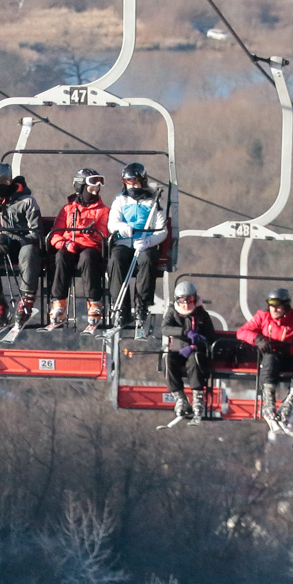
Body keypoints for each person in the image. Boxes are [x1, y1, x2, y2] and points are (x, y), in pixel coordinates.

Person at [0, 161, 44, 330]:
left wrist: (13, 241)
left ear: (1, 185)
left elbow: (36, 233)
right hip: (2, 246)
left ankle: (26, 301)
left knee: (28, 253)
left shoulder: (28, 202)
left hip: (24, 245)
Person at [105, 163, 168, 334]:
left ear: (142, 181)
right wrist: (120, 227)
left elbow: (162, 230)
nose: (131, 186)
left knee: (147, 261)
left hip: (145, 243)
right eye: (128, 182)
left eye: (135, 182)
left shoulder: (154, 202)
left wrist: (149, 241)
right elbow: (111, 224)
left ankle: (141, 306)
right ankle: (121, 308)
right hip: (125, 242)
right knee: (116, 261)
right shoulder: (120, 200)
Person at [47, 169, 110, 328]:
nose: (95, 191)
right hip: (70, 245)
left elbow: (104, 233)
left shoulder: (102, 211)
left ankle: (94, 302)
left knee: (88, 258)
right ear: (81, 187)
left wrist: (92, 234)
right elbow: (55, 234)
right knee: (61, 256)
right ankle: (58, 302)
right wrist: (64, 243)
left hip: (90, 246)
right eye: (91, 188)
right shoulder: (68, 210)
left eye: (97, 189)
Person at [235, 287, 293, 402]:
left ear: (286, 306)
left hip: (290, 359)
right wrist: (258, 339)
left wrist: (289, 349)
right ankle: (268, 399)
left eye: (278, 306)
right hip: (271, 359)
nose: (274, 309)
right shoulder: (263, 316)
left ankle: (292, 399)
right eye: (271, 306)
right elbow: (242, 332)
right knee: (270, 358)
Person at [164, 279, 218, 421]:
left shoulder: (202, 315)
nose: (187, 304)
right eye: (183, 301)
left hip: (194, 352)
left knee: (195, 361)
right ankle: (180, 398)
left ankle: (198, 397)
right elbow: (165, 328)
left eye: (190, 300)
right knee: (168, 360)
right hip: (177, 351)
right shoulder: (173, 312)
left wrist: (195, 345)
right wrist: (185, 332)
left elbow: (210, 337)